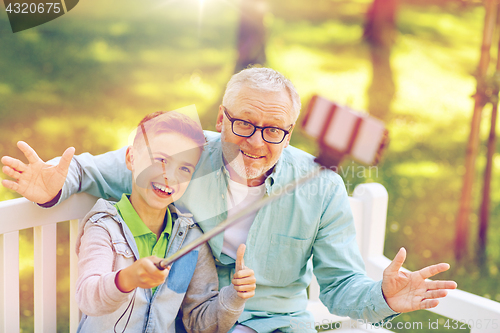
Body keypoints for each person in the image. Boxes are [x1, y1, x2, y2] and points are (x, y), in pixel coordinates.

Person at [1, 67, 457, 333]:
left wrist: (384, 296)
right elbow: (98, 170)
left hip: (281, 324)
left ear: (290, 131)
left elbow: (339, 288)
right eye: (243, 124)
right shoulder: (185, 154)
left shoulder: (321, 185)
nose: (257, 143)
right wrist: (53, 187)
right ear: (221, 118)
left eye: (274, 130)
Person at [74, 110, 256, 333]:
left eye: (184, 169)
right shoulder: (104, 227)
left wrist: (235, 297)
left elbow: (200, 323)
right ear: (131, 158)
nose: (170, 175)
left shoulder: (192, 241)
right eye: (160, 160)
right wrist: (127, 278)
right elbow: (88, 297)